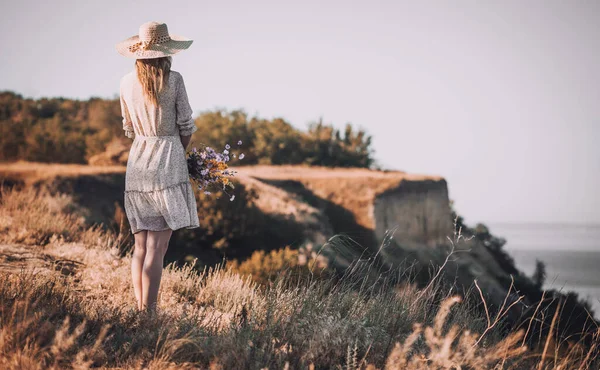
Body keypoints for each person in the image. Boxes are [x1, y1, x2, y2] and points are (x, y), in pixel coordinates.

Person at [116, 21, 200, 311]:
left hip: (138, 162)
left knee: (140, 247)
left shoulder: (126, 83)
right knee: (157, 248)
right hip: (168, 159)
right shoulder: (174, 80)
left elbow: (128, 127)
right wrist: (180, 152)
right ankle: (149, 315)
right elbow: (186, 126)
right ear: (166, 51)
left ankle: (141, 309)